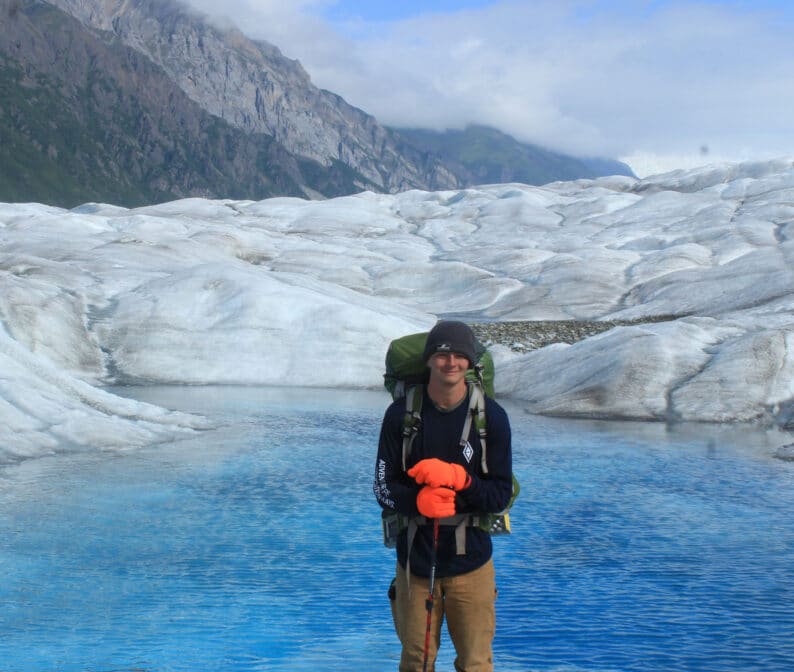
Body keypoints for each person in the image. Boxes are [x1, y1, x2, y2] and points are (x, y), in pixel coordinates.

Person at [374, 320, 513, 672]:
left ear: (470, 362)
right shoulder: (400, 416)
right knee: (417, 661)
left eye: (459, 354)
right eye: (442, 353)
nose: (450, 362)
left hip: (473, 566)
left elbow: (499, 495)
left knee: (475, 663)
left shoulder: (491, 418)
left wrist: (461, 480)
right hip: (415, 565)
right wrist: (416, 502)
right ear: (429, 360)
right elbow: (381, 487)